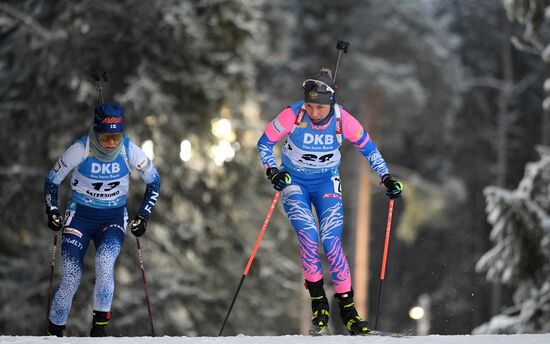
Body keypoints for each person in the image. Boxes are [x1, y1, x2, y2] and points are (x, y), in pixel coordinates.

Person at [256, 68, 403, 336]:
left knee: (331, 241)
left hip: (326, 182)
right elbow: (264, 143)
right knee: (308, 236)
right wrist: (272, 171)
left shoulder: (343, 119)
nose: (314, 113)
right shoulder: (293, 114)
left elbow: (369, 149)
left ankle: (348, 311)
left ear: (331, 103)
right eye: (310, 106)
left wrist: (386, 178)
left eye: (320, 108)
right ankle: (318, 303)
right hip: (294, 182)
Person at [44, 103, 161, 337]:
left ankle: (99, 331)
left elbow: (154, 181)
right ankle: (53, 334)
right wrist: (53, 210)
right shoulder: (80, 149)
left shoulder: (130, 151)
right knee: (71, 278)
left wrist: (144, 216)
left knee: (105, 264)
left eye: (116, 137)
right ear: (95, 132)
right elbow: (52, 180)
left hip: (112, 218)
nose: (110, 143)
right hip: (79, 218)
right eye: (105, 137)